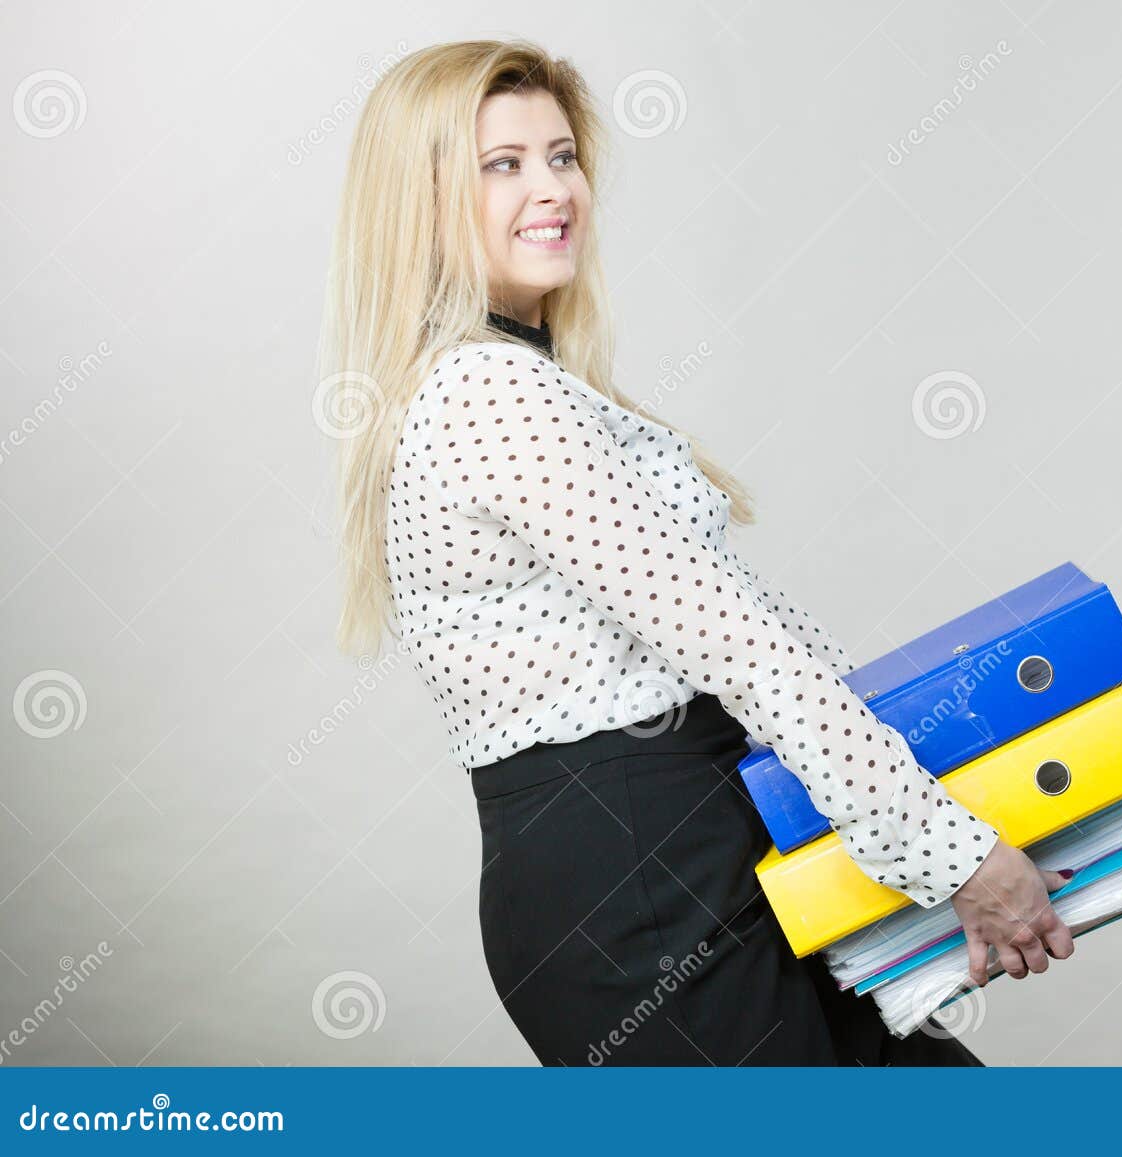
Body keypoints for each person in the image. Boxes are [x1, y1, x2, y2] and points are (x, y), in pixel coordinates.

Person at [322, 37, 1073, 1065]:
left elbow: (740, 635)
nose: (553, 190)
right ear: (422, 198)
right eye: (504, 164)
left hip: (711, 842)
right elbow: (742, 646)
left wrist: (901, 820)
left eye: (561, 155)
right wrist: (951, 852)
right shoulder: (489, 392)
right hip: (635, 881)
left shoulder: (526, 379)